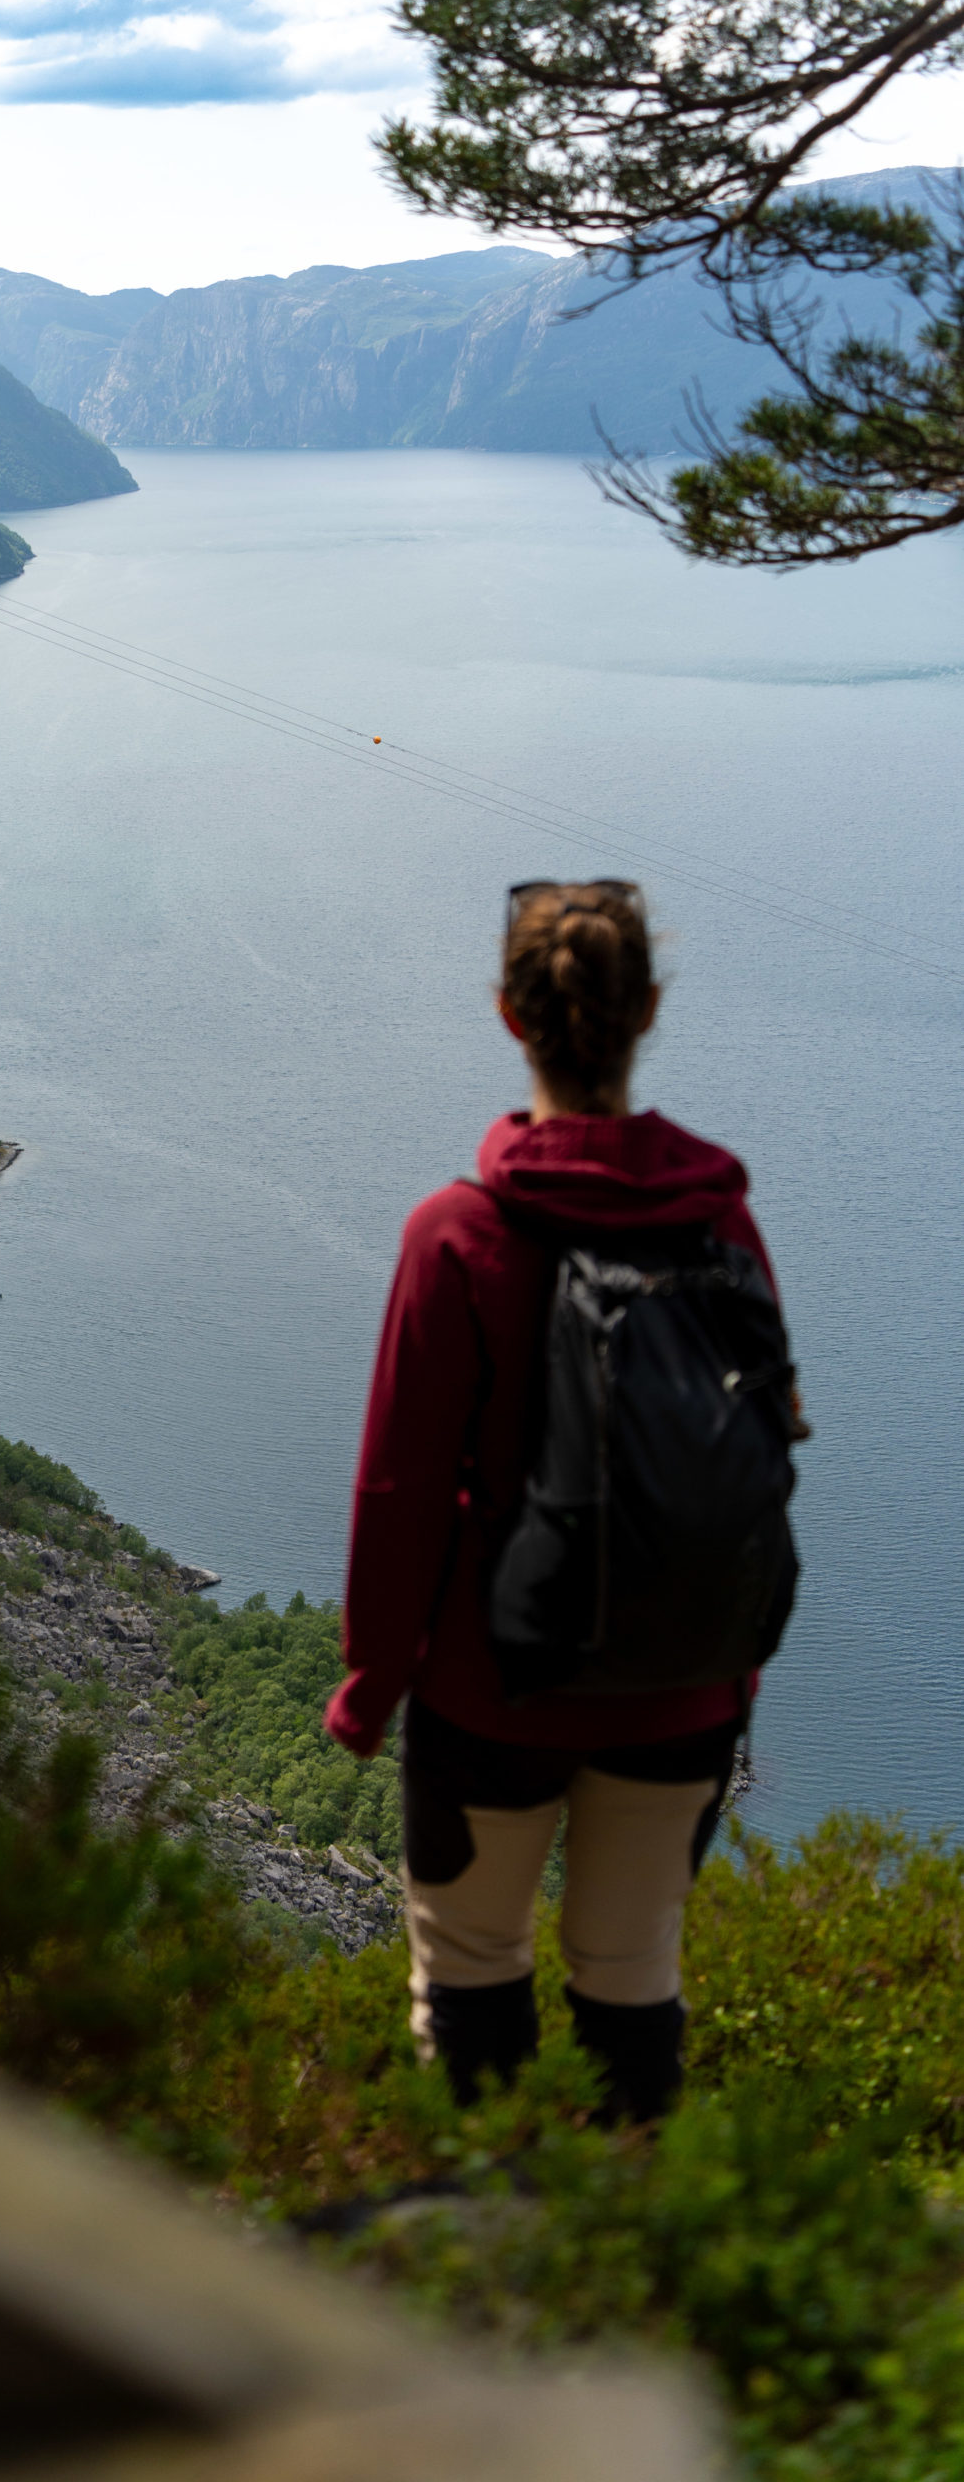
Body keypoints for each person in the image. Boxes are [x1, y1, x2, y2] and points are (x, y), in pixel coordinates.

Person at [324, 879, 792, 2124]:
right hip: (684, 1692)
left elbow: (398, 1488)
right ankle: (617, 2252)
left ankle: (489, 2272)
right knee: (633, 1978)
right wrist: (736, 1674)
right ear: (645, 1010)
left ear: (506, 1015)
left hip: (494, 1688)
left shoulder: (460, 1234)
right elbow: (758, 1451)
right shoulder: (719, 1215)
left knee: (473, 1974)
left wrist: (371, 1684)